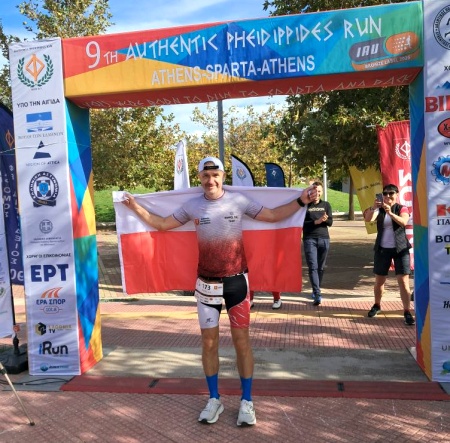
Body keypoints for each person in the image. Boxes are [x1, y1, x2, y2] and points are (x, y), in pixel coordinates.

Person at [122, 156, 316, 427]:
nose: (210, 180)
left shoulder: (238, 200)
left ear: (223, 176)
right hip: (206, 285)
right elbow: (162, 224)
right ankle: (214, 399)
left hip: (237, 282)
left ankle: (247, 401)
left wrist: (302, 201)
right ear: (200, 178)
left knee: (241, 342)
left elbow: (272, 216)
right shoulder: (192, 205)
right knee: (209, 343)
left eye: (215, 175)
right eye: (205, 176)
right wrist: (134, 206)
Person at [363, 184, 415, 326]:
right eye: (385, 193)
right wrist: (374, 207)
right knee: (379, 280)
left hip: (400, 249)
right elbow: (368, 219)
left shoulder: (402, 208)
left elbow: (403, 222)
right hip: (382, 249)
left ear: (396, 195)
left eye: (391, 193)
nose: (388, 196)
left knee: (403, 281)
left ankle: (407, 311)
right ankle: (377, 305)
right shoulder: (379, 209)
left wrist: (390, 213)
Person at [301, 181, 333, 306]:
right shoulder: (305, 206)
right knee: (313, 267)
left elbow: (330, 222)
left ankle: (316, 288)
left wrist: (325, 220)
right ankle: (317, 293)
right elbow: (302, 224)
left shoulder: (326, 205)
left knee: (321, 267)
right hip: (310, 239)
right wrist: (316, 222)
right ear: (310, 192)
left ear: (322, 192)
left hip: (324, 239)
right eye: (315, 191)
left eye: (319, 191)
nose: (317, 193)